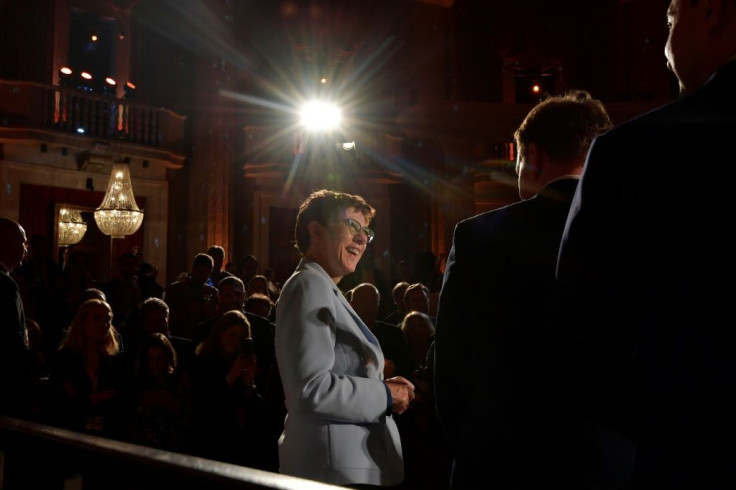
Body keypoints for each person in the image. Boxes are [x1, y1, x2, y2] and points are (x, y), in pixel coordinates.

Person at [552, 2, 736, 488]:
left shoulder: (636, 152)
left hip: (691, 453)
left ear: (712, 12)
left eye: (672, 20)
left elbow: (583, 334)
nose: (666, 46)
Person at [434, 90, 613, 489]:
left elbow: (450, 365)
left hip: (499, 460)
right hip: (604, 461)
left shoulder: (479, 237)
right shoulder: (632, 233)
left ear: (531, 155)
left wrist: (472, 445)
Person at [275, 189, 415, 487]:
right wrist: (385, 394)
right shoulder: (308, 285)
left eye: (366, 231)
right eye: (352, 226)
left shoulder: (322, 286)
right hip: (333, 472)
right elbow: (310, 389)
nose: (363, 239)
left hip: (342, 469)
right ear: (316, 231)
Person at [0, 217, 38, 419]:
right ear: (8, 243)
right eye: (23, 242)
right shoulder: (5, 284)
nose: (26, 248)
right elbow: (13, 340)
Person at [164, 253, 218, 340]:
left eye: (207, 273)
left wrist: (209, 313)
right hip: (180, 337)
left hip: (203, 339)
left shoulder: (213, 292)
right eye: (200, 272)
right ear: (193, 269)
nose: (203, 277)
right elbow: (165, 318)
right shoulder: (175, 289)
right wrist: (186, 310)